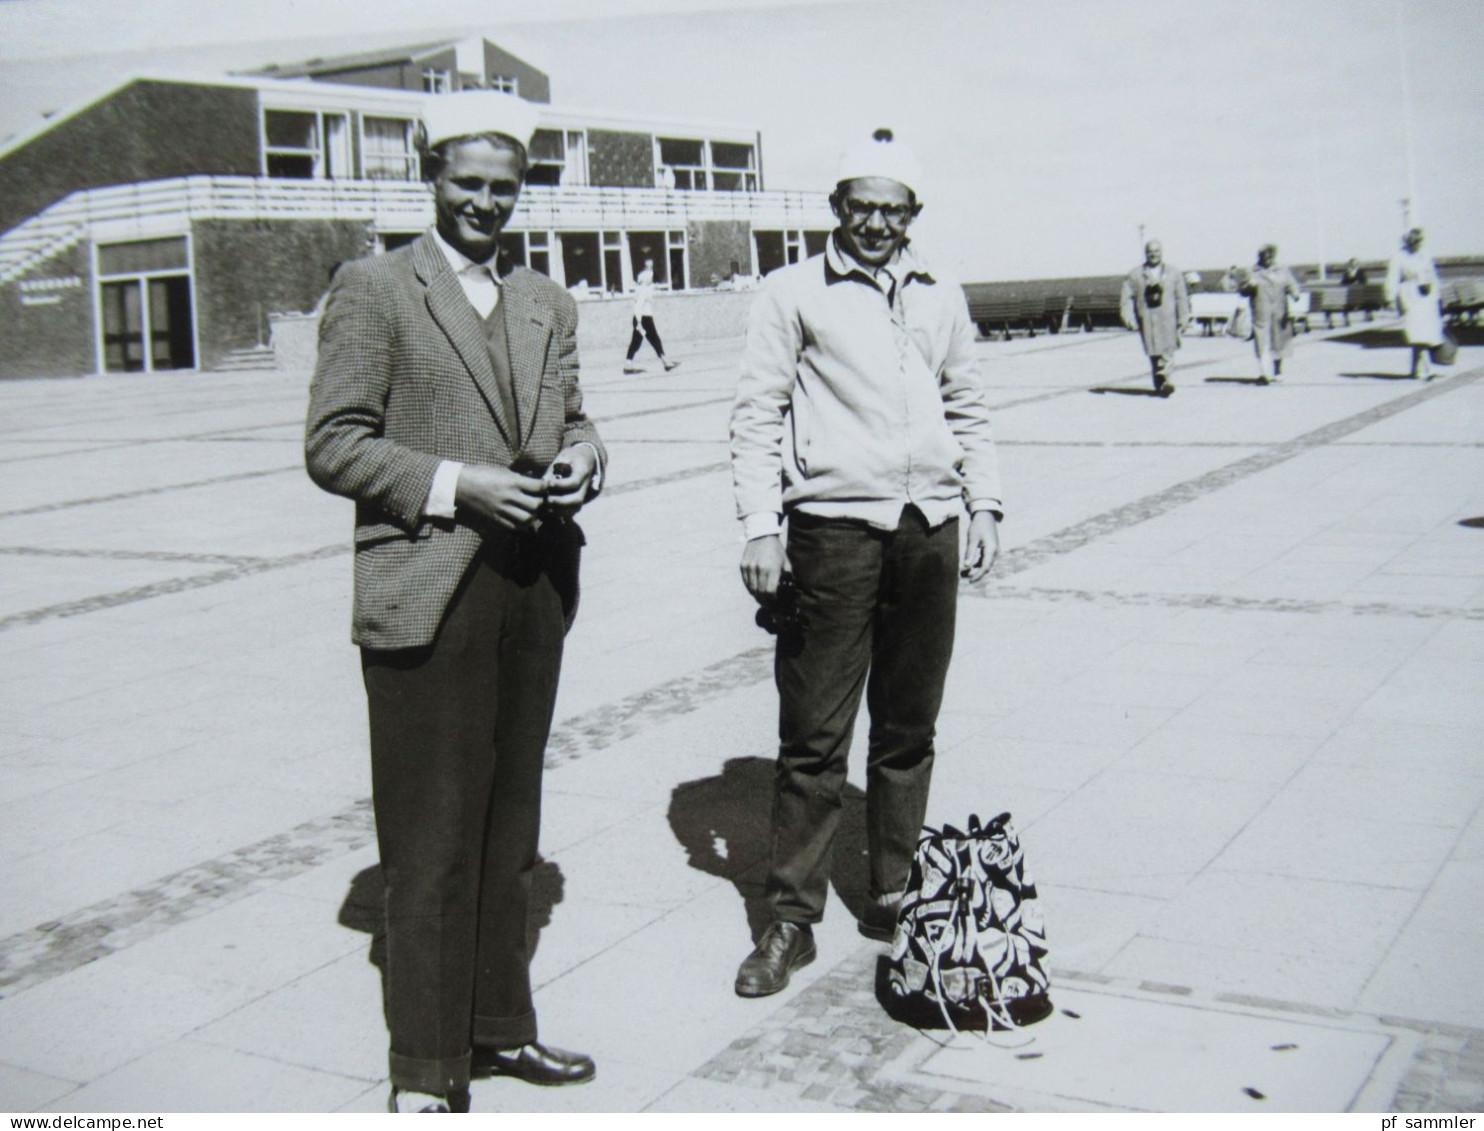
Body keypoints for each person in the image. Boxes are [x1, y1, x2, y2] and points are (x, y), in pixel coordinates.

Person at [305, 91, 605, 1113]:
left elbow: (574, 418)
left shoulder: (545, 300)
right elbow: (333, 444)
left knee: (508, 828)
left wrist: (581, 458)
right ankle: (426, 1070)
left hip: (529, 590)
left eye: (503, 188)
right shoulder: (375, 288)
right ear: (430, 179)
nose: (484, 202)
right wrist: (456, 484)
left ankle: (500, 1030)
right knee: (430, 837)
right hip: (427, 586)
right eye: (465, 183)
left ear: (524, 192)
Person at [728, 127, 1003, 998]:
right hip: (832, 532)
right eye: (862, 207)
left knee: (909, 726)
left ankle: (892, 887)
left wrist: (985, 502)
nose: (877, 224)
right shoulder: (790, 293)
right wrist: (759, 526)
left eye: (894, 210)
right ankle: (790, 918)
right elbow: (755, 414)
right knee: (814, 738)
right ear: (836, 207)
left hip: (929, 526)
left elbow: (969, 401)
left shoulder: (939, 292)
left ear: (912, 215)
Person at [1120, 239, 1191, 396]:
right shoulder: (1135, 274)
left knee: (1168, 351)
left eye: (1157, 251)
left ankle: (1165, 379)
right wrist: (1128, 317)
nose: (1153, 254)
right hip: (1148, 320)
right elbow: (1126, 298)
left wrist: (1183, 317)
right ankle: (1160, 383)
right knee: (1154, 353)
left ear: (1162, 252)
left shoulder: (1174, 273)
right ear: (1146, 253)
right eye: (1150, 251)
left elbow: (1181, 297)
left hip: (1168, 319)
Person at [1385, 227, 1444, 380]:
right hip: (1410, 296)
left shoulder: (1424, 255)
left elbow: (1432, 275)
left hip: (1426, 297)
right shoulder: (1399, 256)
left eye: (1420, 241)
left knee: (1425, 333)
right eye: (1416, 241)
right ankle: (1428, 369)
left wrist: (1437, 295)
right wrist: (1391, 298)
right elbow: (1392, 279)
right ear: (1409, 242)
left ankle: (1415, 369)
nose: (1418, 244)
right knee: (1417, 332)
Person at [1240, 243, 1301, 385]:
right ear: (1260, 257)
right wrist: (1248, 287)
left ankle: (1278, 371)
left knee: (1279, 342)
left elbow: (1291, 284)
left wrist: (1295, 293)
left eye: (1271, 257)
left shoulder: (1282, 270)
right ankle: (1264, 374)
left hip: (1280, 312)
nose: (1268, 259)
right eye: (1265, 257)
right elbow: (1243, 292)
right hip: (1260, 311)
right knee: (1261, 342)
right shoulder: (1252, 271)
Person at [623, 257, 679, 373]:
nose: (652, 280)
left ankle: (628, 364)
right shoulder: (643, 290)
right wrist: (638, 322)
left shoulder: (641, 289)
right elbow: (638, 306)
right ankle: (665, 362)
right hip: (644, 319)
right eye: (651, 277)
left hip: (641, 318)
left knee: (637, 342)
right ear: (647, 278)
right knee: (655, 339)